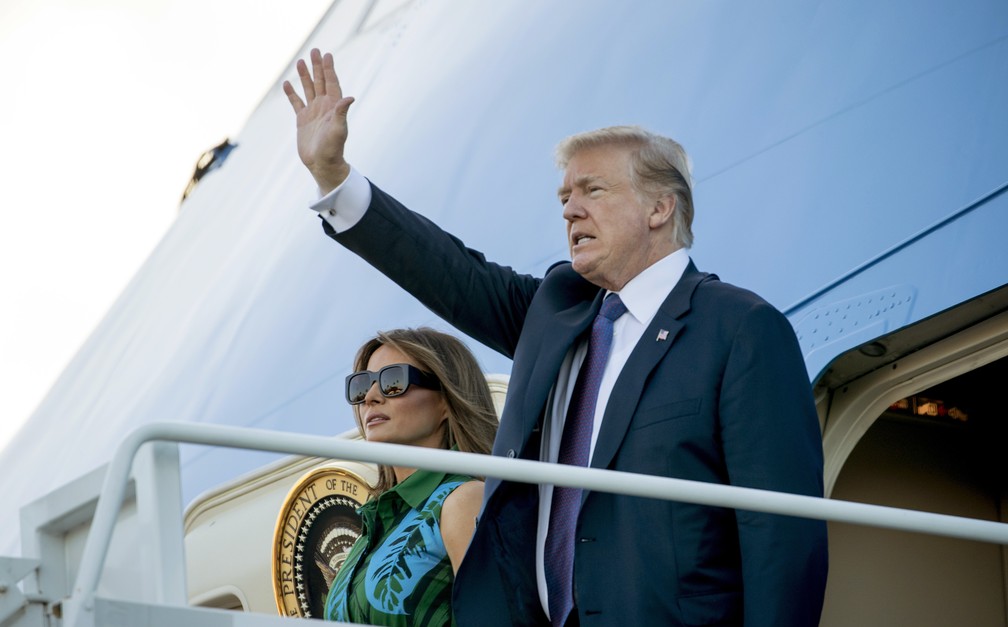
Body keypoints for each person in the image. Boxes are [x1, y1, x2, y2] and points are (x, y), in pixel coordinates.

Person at [285, 49, 828, 626]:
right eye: (564, 197)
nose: (570, 210)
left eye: (592, 191)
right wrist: (334, 178)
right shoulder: (558, 309)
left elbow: (782, 534)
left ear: (660, 207)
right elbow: (445, 269)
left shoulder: (739, 328)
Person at [323, 327, 498, 625]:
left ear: (446, 399)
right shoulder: (370, 531)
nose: (371, 397)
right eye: (362, 386)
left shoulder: (463, 500)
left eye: (393, 382)